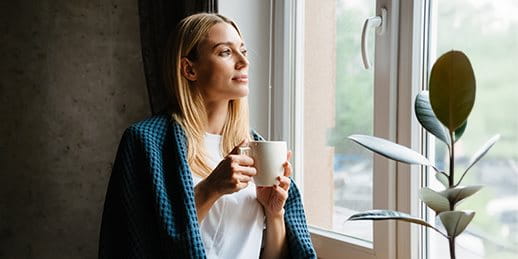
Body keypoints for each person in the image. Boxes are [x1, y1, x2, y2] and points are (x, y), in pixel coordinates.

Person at [98, 13, 316, 259]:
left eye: (243, 51)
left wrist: (274, 213)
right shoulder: (145, 142)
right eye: (225, 52)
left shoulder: (255, 147)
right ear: (189, 69)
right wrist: (211, 189)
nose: (243, 61)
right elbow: (133, 244)